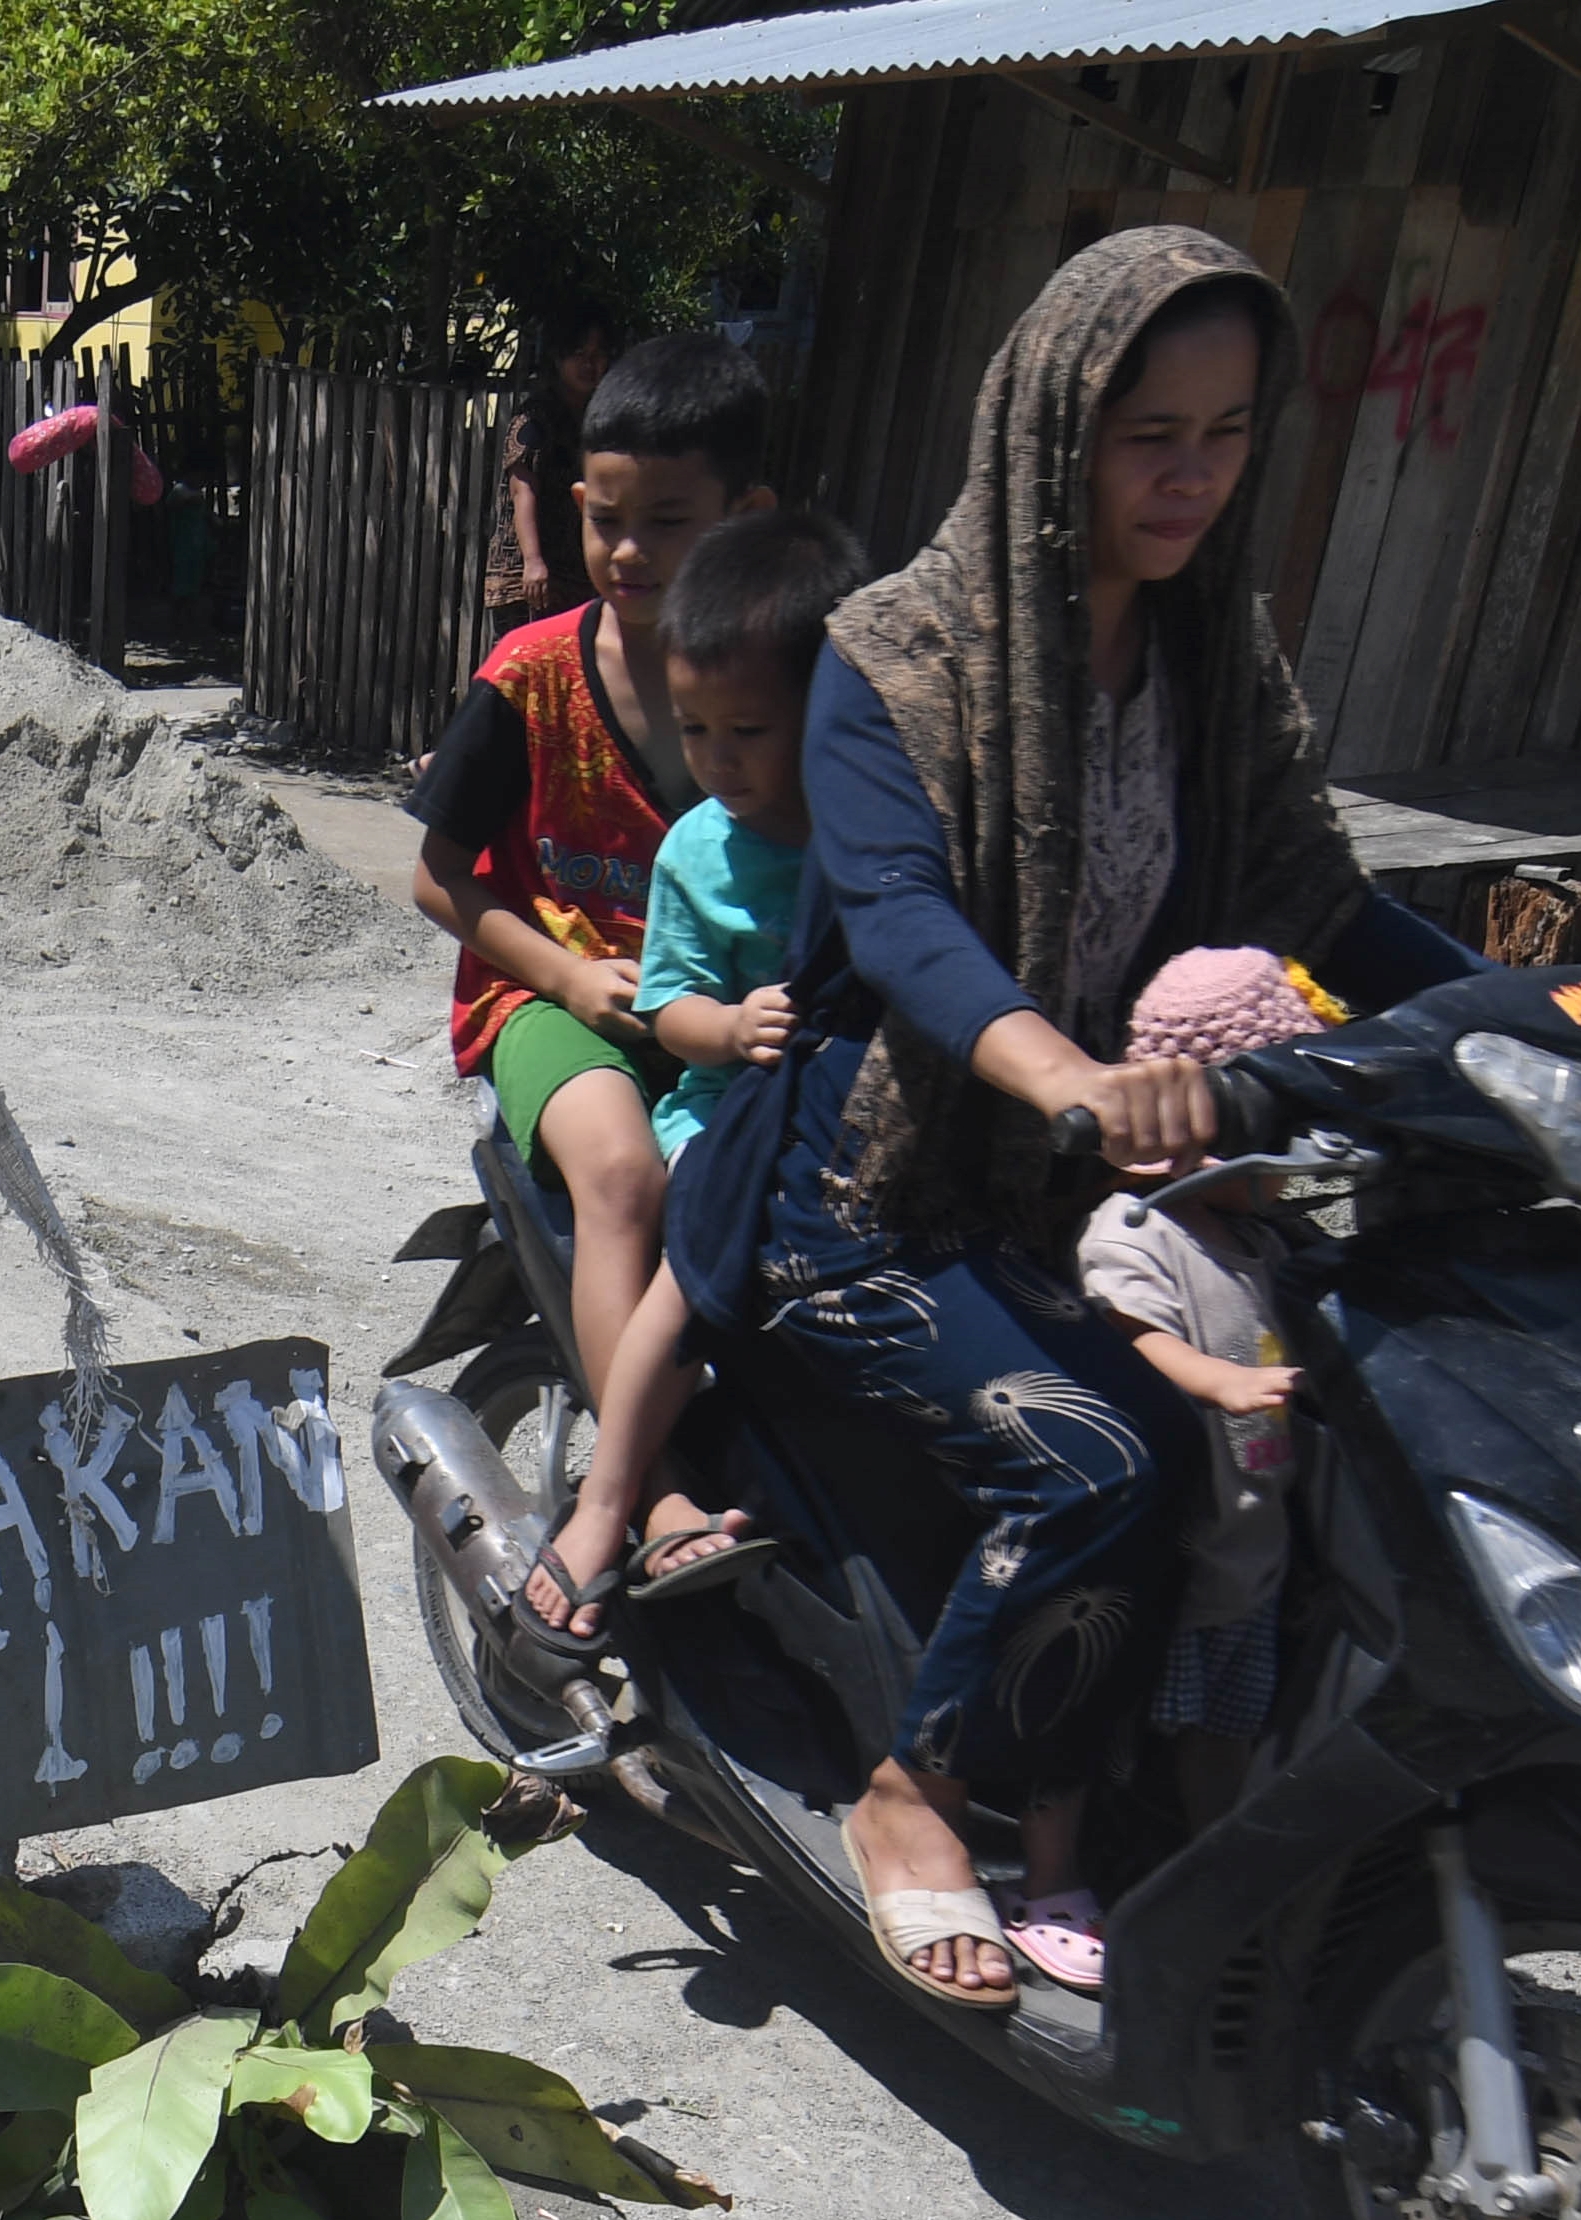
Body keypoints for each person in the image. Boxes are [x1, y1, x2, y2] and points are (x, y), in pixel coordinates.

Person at [652, 228, 1480, 2006]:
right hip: (869, 1187)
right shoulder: (895, 653)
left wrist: (1552, 1014)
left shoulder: (1211, 656)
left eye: (1224, 432)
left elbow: (1319, 902)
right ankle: (908, 1789)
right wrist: (1070, 1080)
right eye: (1143, 434)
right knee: (1104, 1448)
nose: (1186, 475)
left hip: (1097, 1183)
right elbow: (899, 923)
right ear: (1047, 431)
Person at [404, 332, 783, 1640]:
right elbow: (438, 879)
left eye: (665, 524)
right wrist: (567, 969)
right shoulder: (530, 678)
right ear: (575, 509)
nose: (628, 554)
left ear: (746, 520)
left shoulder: (782, 684)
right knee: (627, 1179)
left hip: (723, 1013)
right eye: (609, 522)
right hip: (548, 1009)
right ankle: (643, 1492)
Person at [1051, 947, 1338, 1971]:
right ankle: (1156, 1877)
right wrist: (1207, 1380)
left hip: (1250, 1549)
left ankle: (1223, 1864)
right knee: (1142, 1729)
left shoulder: (1258, 1241)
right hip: (1179, 1549)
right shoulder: (1134, 1231)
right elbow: (1128, 1330)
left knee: (1227, 1724)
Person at [636, 506, 862, 1167]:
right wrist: (733, 1028)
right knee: (707, 1227)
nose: (716, 760)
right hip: (722, 1112)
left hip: (840, 1112)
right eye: (692, 728)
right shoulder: (693, 852)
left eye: (748, 731)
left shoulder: (870, 827)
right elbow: (670, 1008)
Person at [480, 298, 617, 648]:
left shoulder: (596, 420)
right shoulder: (536, 417)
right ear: (558, 358)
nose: (590, 364)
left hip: (575, 579)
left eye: (597, 354)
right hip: (528, 580)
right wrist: (533, 561)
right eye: (579, 354)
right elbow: (522, 487)